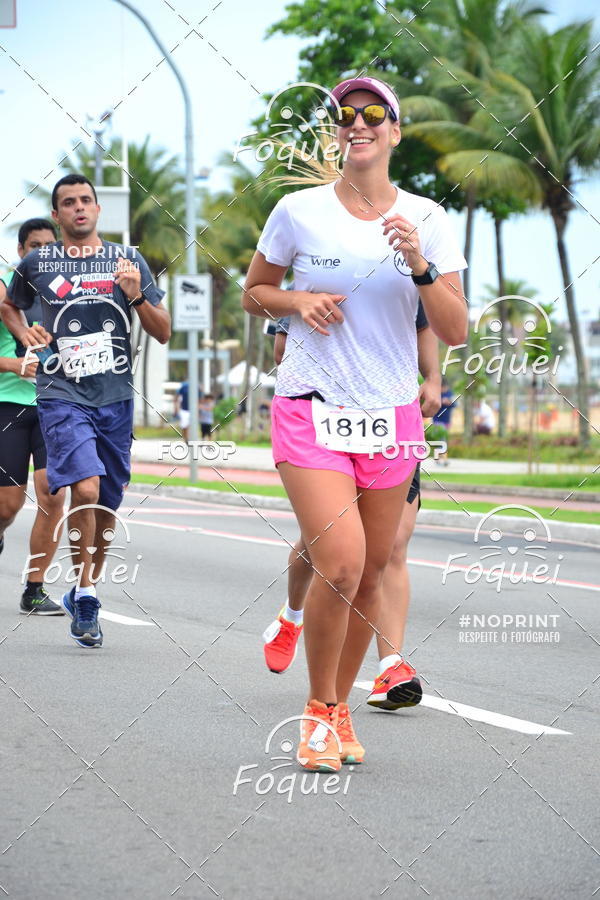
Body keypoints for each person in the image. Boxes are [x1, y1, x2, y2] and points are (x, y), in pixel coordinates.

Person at [243, 75, 467, 771]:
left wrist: (421, 266)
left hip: (392, 415)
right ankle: (315, 715)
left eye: (374, 114)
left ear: (395, 132)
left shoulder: (428, 218)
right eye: (346, 115)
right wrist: (298, 300)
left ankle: (340, 708)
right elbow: (255, 290)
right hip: (312, 404)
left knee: (368, 573)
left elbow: (455, 329)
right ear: (336, 132)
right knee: (338, 563)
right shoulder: (298, 211)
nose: (358, 123)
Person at [2, 174, 171, 648]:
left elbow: (163, 332)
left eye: (86, 201)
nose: (79, 208)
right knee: (84, 485)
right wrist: (25, 332)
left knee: (107, 503)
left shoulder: (128, 261)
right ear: (57, 217)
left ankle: (82, 586)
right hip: (60, 394)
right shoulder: (38, 262)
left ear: (97, 210)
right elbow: (10, 305)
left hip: (115, 398)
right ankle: (90, 592)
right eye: (68, 203)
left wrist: (135, 293)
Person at [264, 301, 441, 714]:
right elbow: (281, 350)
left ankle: (390, 664)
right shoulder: (312, 257)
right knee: (332, 552)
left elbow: (424, 324)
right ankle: (292, 616)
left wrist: (432, 377)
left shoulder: (402, 256)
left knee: (391, 545)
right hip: (322, 417)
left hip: (388, 419)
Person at [0, 218, 66, 614]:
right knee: (8, 505)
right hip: (8, 406)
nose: (42, 253)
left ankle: (34, 588)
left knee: (52, 496)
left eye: (49, 246)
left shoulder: (69, 293)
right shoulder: (6, 290)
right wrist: (13, 365)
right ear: (22, 251)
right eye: (34, 247)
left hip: (55, 407)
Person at [432, 375, 454, 466]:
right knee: (442, 440)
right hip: (438, 420)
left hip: (447, 420)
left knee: (442, 440)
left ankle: (437, 458)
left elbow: (454, 404)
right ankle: (444, 460)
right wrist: (440, 401)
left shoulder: (450, 393)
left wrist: (449, 402)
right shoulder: (436, 393)